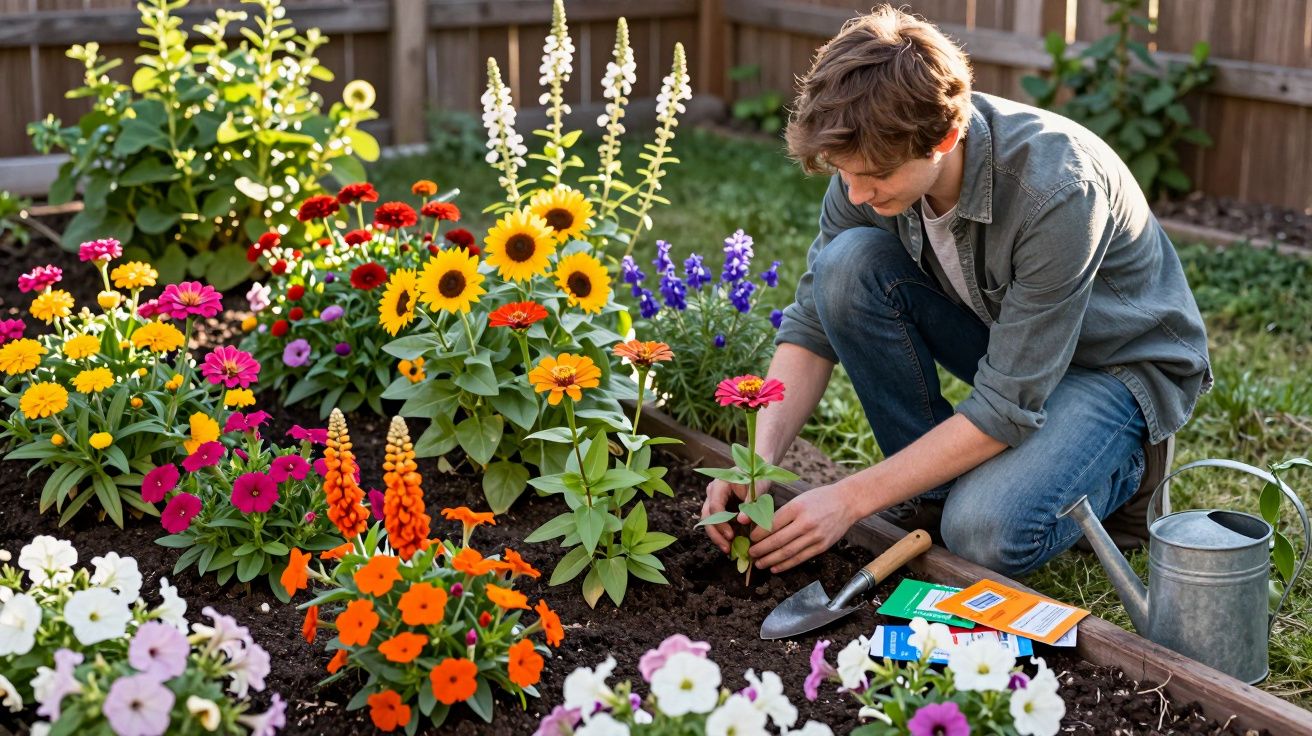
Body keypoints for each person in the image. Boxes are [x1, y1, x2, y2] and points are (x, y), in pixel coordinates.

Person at [699, 5, 1212, 578]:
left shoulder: (1059, 190)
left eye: (876, 177)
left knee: (981, 533)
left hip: (1114, 370)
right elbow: (811, 327)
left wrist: (849, 499)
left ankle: (1127, 470)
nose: (857, 193)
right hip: (1011, 343)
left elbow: (1005, 404)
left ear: (945, 135)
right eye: (845, 174)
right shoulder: (865, 167)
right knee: (843, 268)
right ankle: (935, 491)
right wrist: (755, 463)